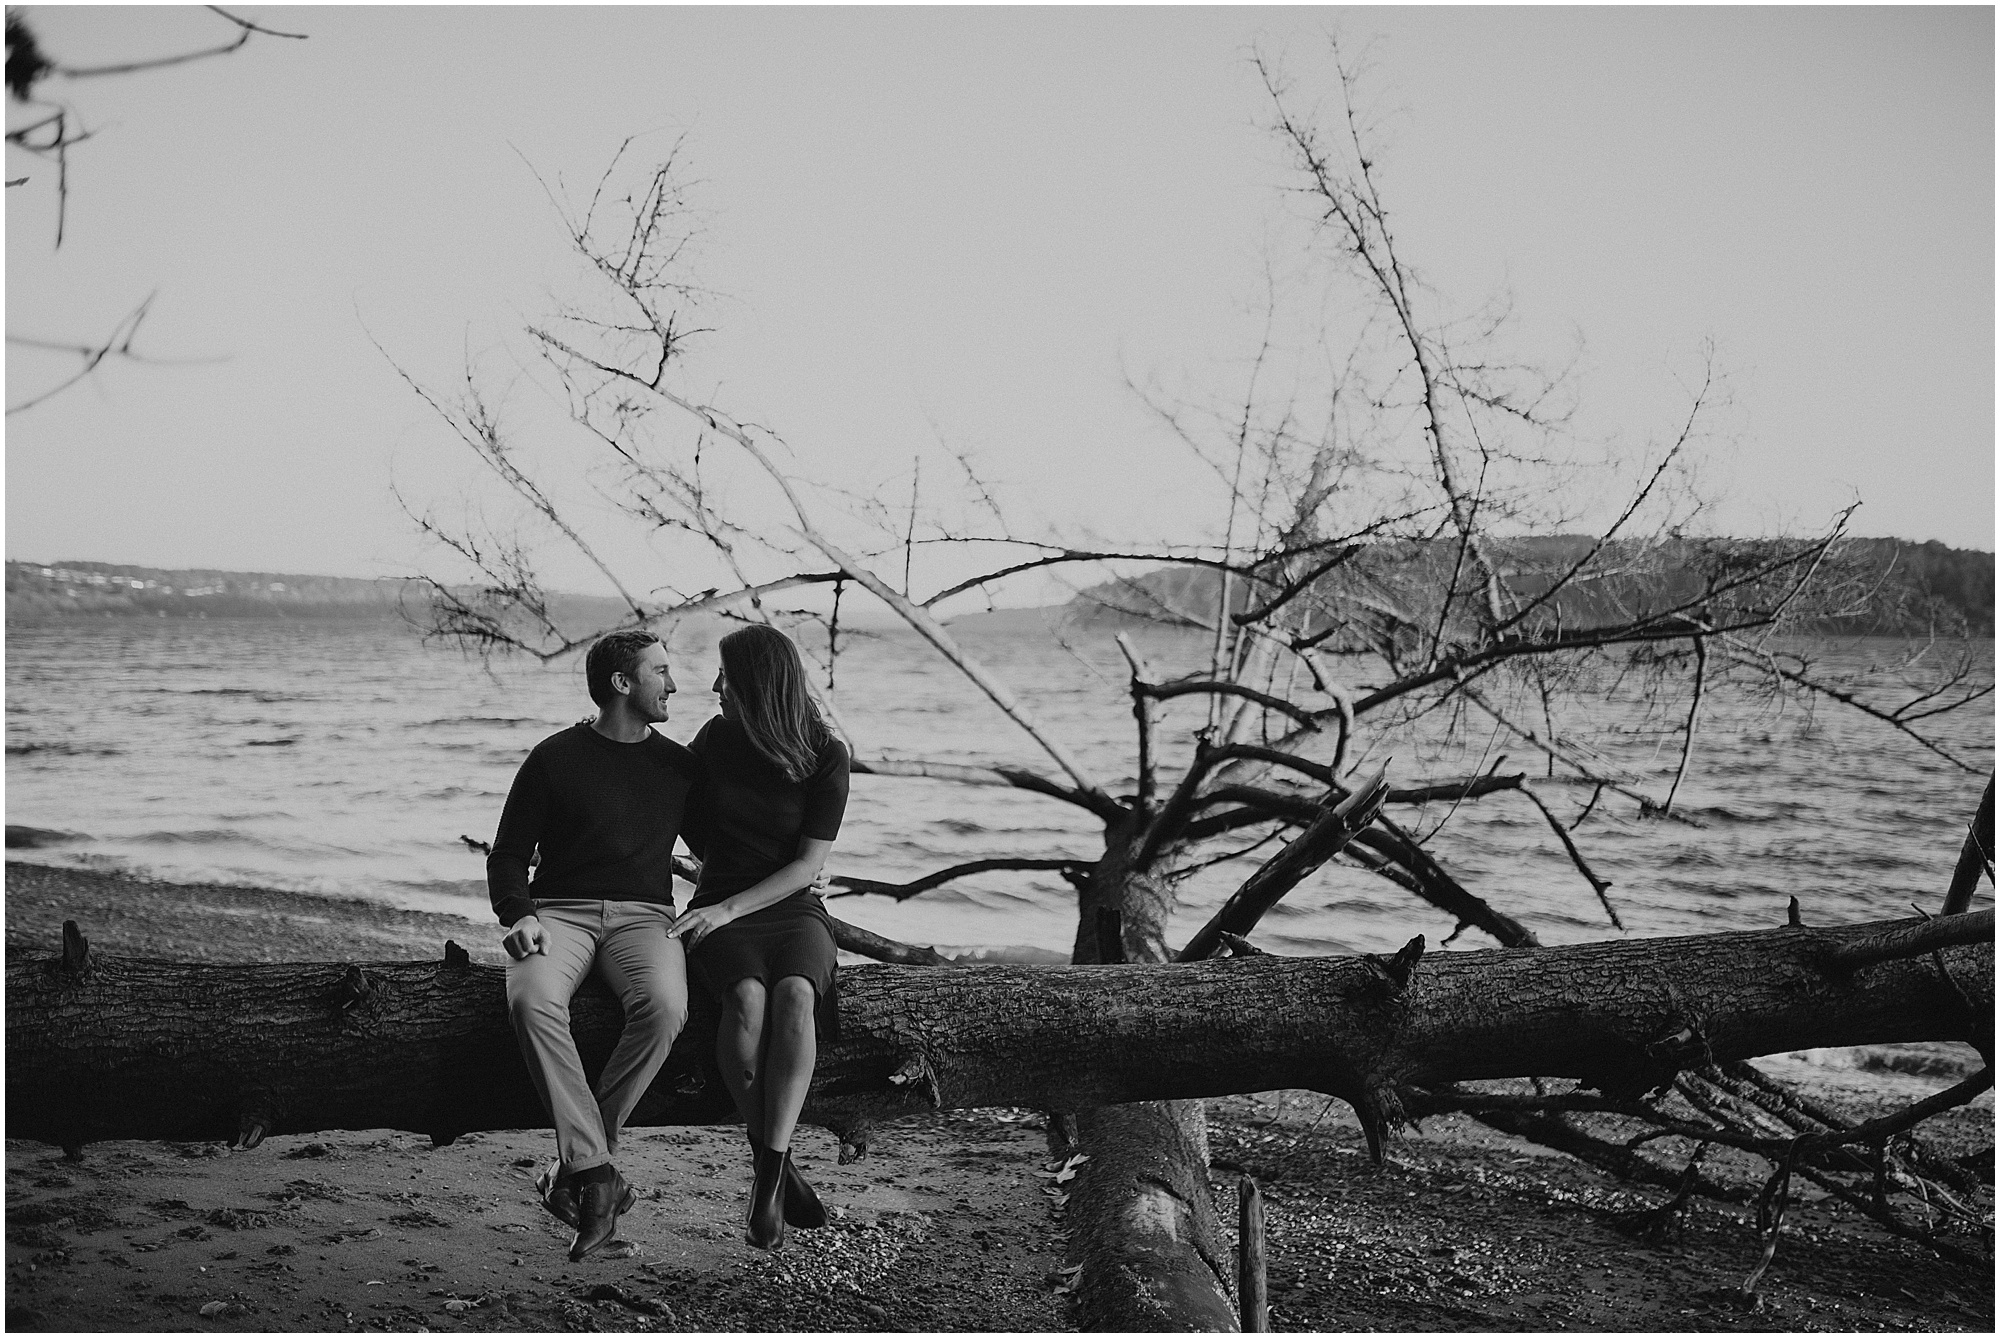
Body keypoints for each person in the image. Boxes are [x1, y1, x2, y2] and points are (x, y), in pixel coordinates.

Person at [486, 629, 699, 1262]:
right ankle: (600, 1176)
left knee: (665, 1008)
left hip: (644, 920)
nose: (674, 683)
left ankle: (581, 1169)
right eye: (660, 671)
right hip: (560, 915)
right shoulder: (554, 757)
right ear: (621, 684)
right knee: (532, 1000)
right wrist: (518, 913)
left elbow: (729, 847)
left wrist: (801, 875)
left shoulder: (680, 767)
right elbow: (507, 857)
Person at [667, 624, 849, 1252]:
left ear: (756, 684)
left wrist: (728, 908)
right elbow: (676, 807)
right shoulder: (715, 738)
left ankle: (764, 1179)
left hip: (792, 905)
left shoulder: (825, 752)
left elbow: (806, 866)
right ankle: (778, 1168)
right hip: (722, 900)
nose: (714, 687)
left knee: (796, 995)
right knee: (745, 999)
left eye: (725, 677)